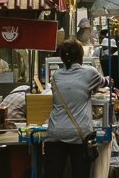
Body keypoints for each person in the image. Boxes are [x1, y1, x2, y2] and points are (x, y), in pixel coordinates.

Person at [46, 41, 101, 178]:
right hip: (79, 135)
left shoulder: (56, 76)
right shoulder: (90, 73)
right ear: (81, 56)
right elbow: (101, 84)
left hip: (55, 133)